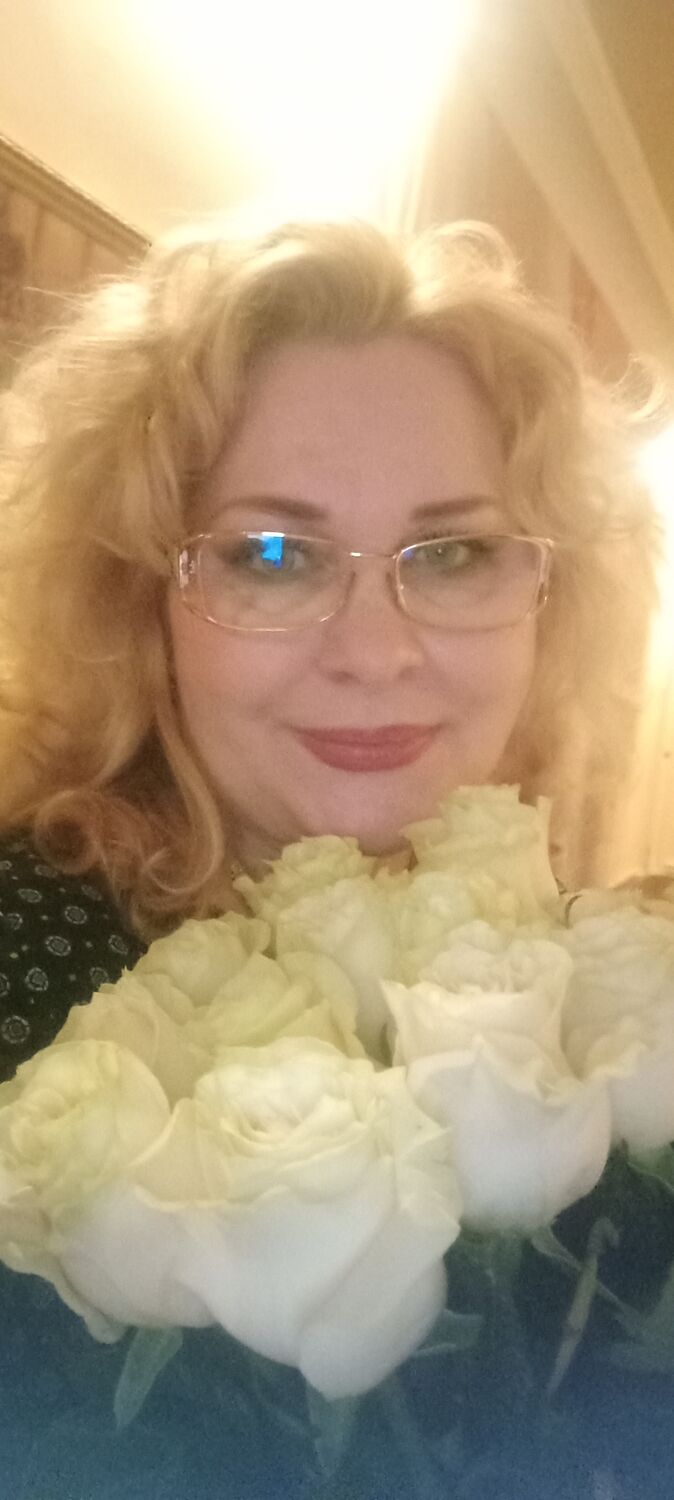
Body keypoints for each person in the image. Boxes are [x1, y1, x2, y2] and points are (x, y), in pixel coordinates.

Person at [0, 216, 666, 1499]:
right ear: (138, 599)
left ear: (550, 600)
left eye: (454, 552)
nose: (374, 652)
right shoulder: (22, 959)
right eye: (271, 555)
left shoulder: (599, 1000)